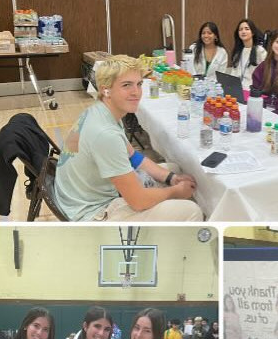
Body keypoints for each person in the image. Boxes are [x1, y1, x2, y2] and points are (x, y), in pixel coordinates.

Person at [55, 55, 201, 221]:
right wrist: (176, 191)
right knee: (191, 211)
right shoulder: (106, 135)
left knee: (173, 169)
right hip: (90, 213)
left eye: (139, 84)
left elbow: (133, 156)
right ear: (105, 90)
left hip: (79, 197)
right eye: (126, 85)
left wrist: (171, 178)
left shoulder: (102, 111)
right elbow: (138, 201)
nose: (136, 92)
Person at [227, 20, 266, 92]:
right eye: (240, 29)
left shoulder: (260, 51)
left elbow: (265, 75)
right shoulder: (238, 52)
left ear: (253, 32)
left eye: (247, 29)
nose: (243, 31)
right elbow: (233, 73)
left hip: (252, 91)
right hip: (236, 89)